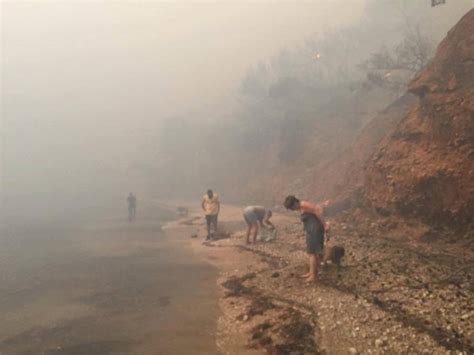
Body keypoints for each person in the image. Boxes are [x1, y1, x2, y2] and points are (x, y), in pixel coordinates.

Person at [284, 195, 330, 284]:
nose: (293, 209)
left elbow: (317, 211)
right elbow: (317, 208)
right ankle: (311, 272)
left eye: (292, 207)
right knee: (310, 253)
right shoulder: (301, 206)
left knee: (312, 253)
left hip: (315, 231)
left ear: (295, 202)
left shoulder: (304, 204)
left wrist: (325, 225)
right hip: (311, 231)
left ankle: (313, 276)